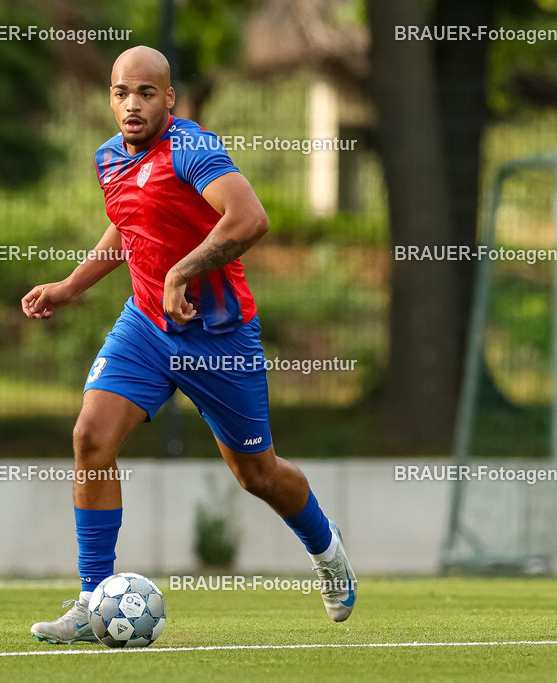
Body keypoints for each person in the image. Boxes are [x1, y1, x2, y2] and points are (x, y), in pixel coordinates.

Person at [23, 46, 355, 644]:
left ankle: (327, 551)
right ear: (110, 98)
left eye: (146, 93)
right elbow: (130, 225)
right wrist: (71, 285)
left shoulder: (192, 149)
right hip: (146, 327)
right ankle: (94, 600)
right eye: (121, 92)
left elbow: (250, 218)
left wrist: (181, 271)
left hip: (218, 337)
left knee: (257, 475)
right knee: (90, 438)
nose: (132, 104)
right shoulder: (108, 157)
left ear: (169, 98)